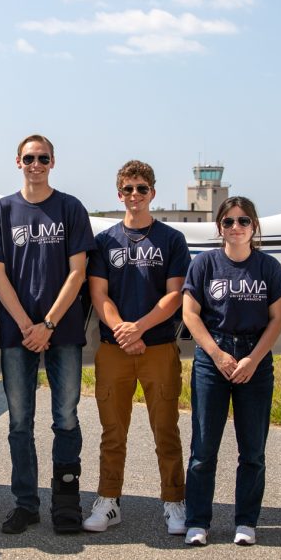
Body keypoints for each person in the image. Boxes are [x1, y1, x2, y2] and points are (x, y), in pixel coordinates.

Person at [0, 134, 96, 534]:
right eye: (29, 158)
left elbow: (77, 272)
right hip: (18, 334)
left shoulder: (70, 208)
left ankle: (66, 503)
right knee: (20, 422)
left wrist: (47, 324)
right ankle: (25, 504)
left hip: (61, 330)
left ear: (53, 162)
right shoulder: (2, 210)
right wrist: (25, 326)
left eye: (43, 158)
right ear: (18, 161)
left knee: (65, 418)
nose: (36, 164)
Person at [83, 160, 190, 536]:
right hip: (114, 349)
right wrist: (121, 330)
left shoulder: (172, 240)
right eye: (128, 189)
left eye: (141, 189)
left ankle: (174, 501)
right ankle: (109, 500)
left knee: (166, 428)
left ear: (153, 194)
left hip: (158, 347)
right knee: (113, 430)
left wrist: (140, 328)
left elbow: (174, 295)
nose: (134, 196)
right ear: (119, 194)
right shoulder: (104, 242)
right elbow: (99, 294)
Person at [181, 196, 281, 546]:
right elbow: (190, 314)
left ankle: (246, 522)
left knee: (253, 449)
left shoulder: (269, 268)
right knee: (203, 449)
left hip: (254, 359)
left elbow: (277, 319)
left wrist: (253, 359)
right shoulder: (204, 265)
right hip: (213, 359)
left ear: (253, 226)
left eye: (243, 221)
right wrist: (217, 355)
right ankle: (198, 522)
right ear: (219, 228)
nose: (236, 228)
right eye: (228, 222)